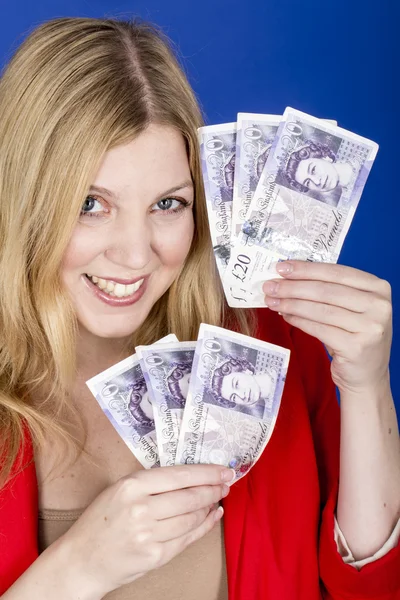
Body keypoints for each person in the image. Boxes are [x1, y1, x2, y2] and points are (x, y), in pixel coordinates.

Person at [0, 16, 399, 600]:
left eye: (168, 203)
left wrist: (367, 386)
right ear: (24, 198)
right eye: (91, 203)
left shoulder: (270, 348)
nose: (137, 253)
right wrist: (77, 570)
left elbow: (369, 586)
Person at [279, 140, 355, 206]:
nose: (317, 182)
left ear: (326, 157)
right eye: (308, 182)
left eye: (313, 170)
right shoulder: (346, 203)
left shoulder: (362, 163)